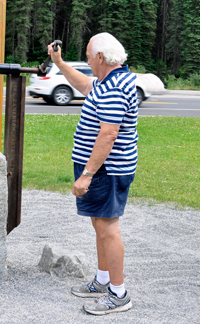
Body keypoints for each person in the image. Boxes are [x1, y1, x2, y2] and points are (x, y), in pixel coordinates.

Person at [47, 33, 138, 315]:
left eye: (88, 56)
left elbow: (109, 133)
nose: (86, 61)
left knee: (108, 228)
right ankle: (102, 281)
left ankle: (119, 294)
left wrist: (87, 174)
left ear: (100, 57)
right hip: (103, 169)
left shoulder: (114, 88)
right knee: (100, 225)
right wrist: (59, 63)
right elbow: (85, 84)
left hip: (106, 170)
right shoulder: (108, 81)